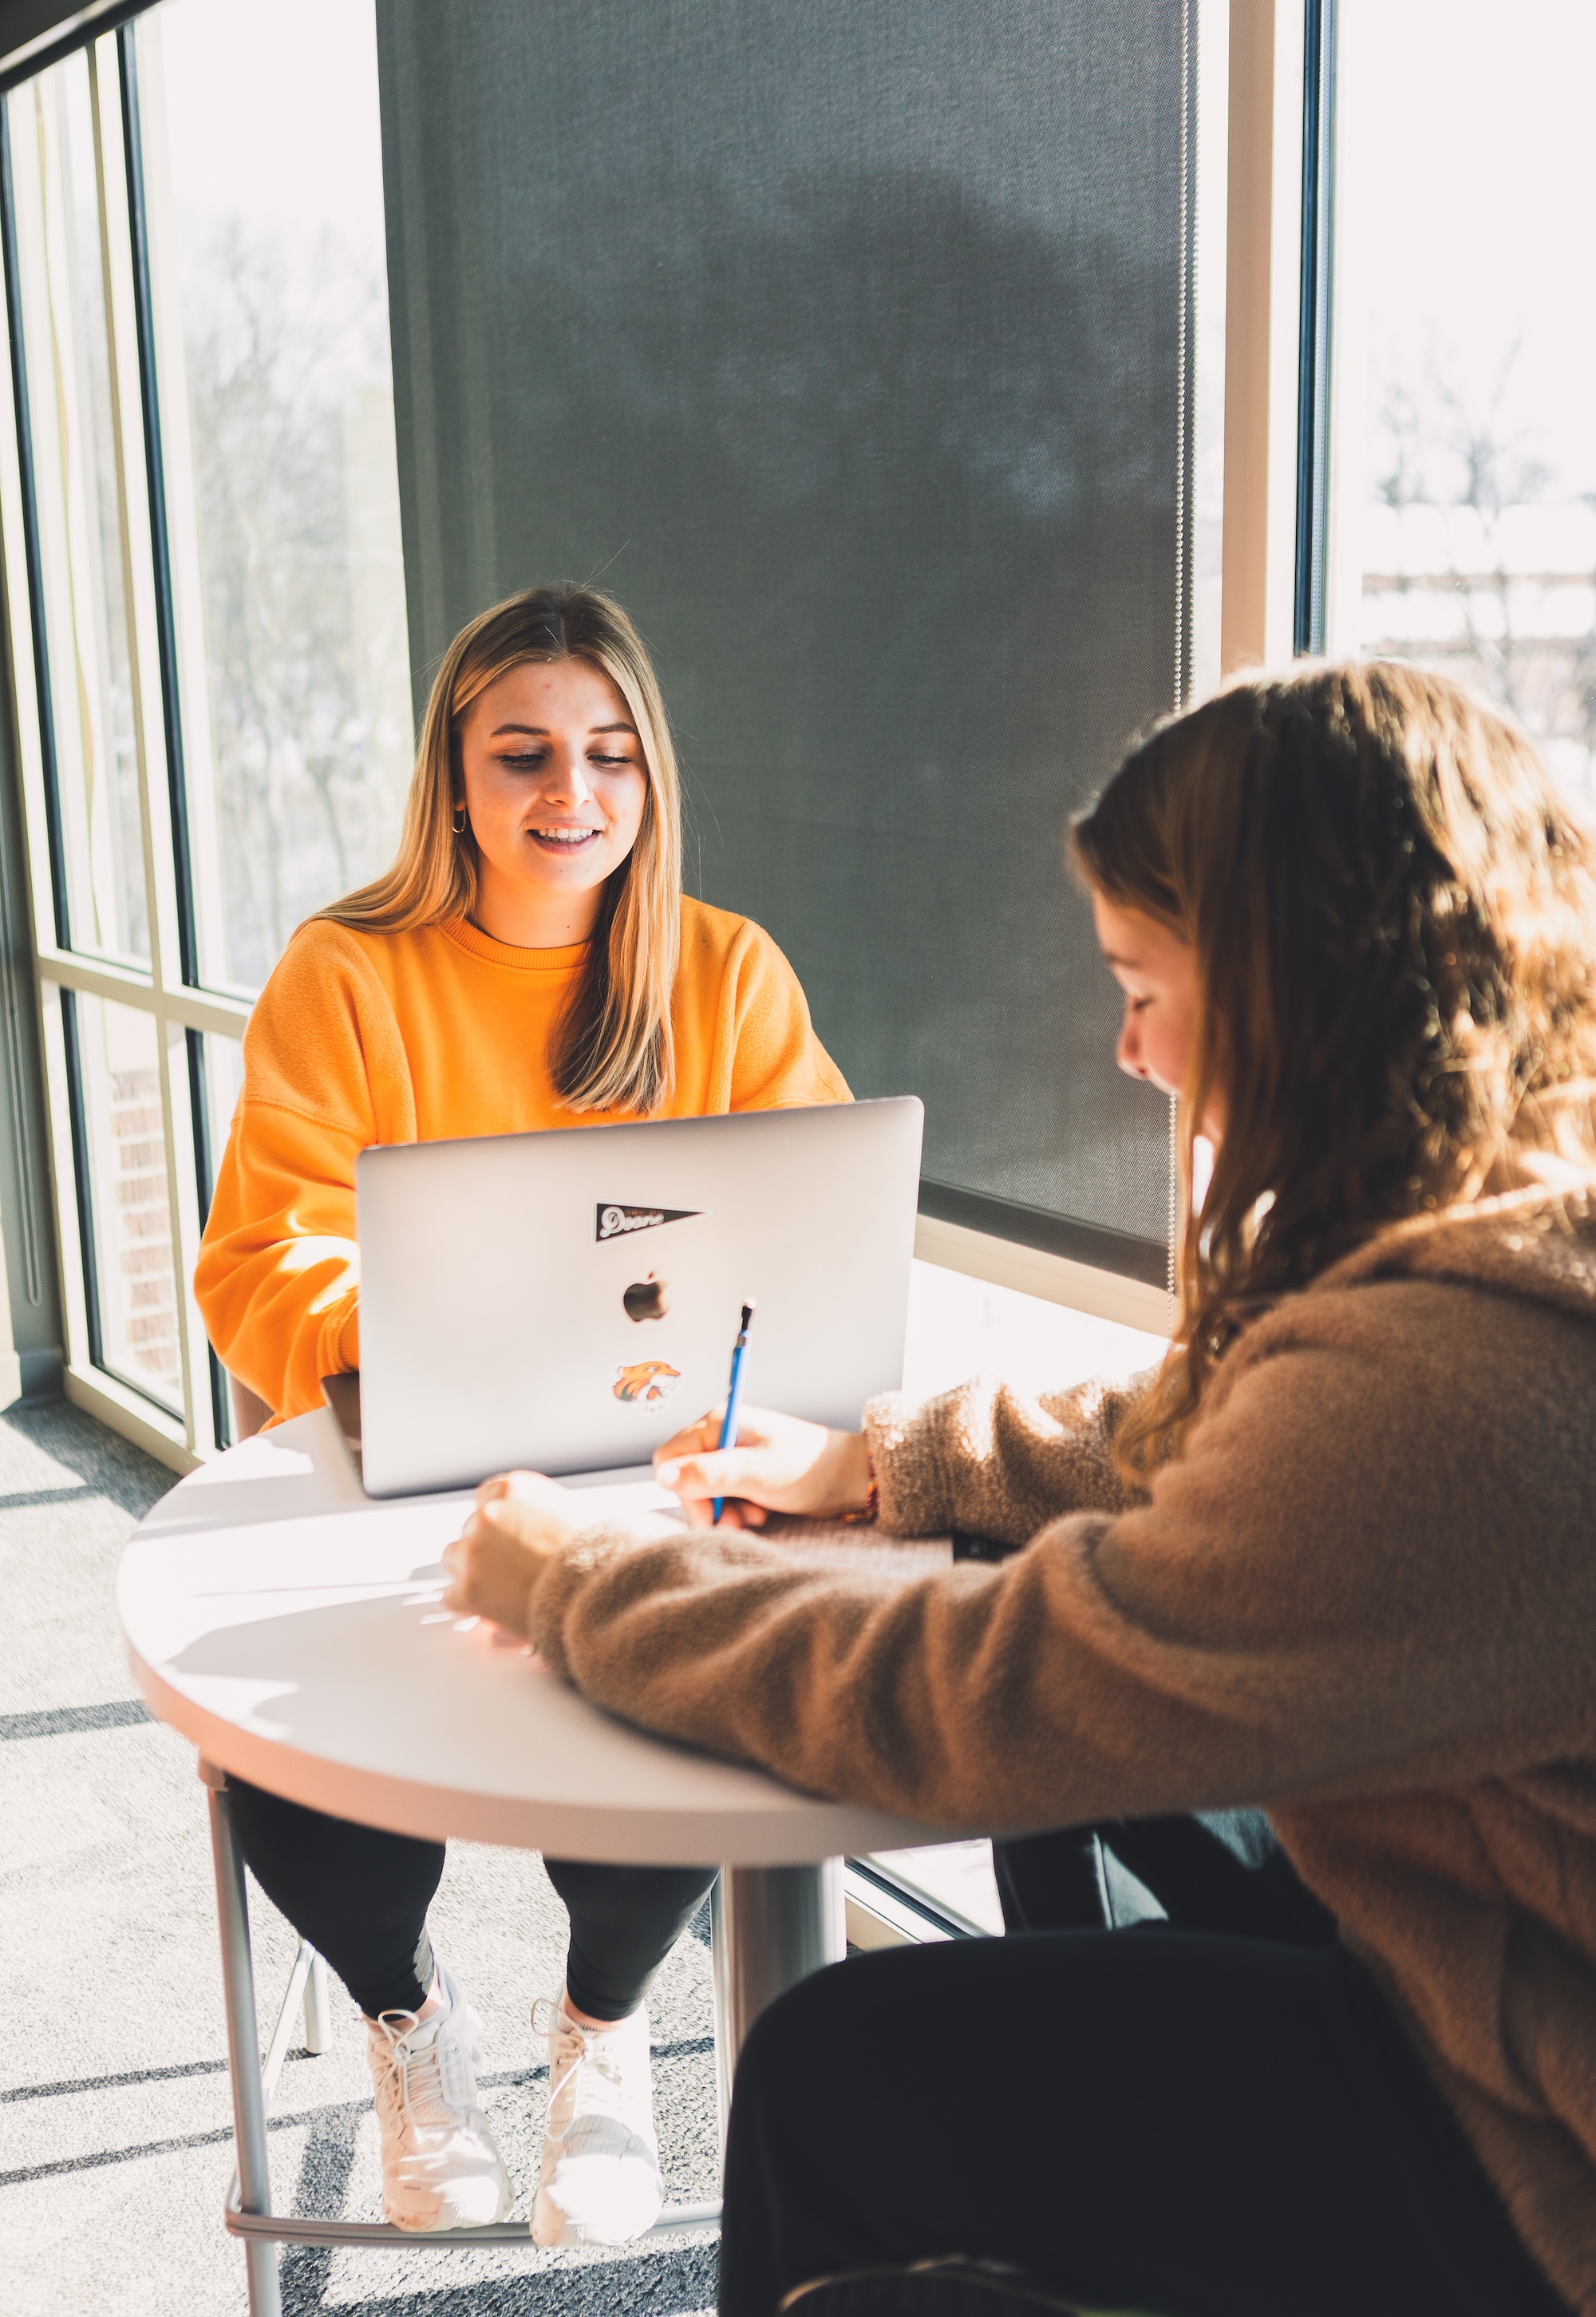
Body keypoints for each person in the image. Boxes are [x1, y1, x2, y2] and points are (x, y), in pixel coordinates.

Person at [441, 660, 1596, 2317]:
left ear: (1304, 984)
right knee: (1094, 1818)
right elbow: (1240, 1435)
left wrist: (572, 1583)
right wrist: (889, 1459)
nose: (1122, 1046)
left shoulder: (1454, 1396)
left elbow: (977, 1697)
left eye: (1142, 979)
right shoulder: (1513, 1207)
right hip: (1470, 1925)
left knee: (822, 2070)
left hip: (1526, 2144)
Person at [194, 583, 848, 2243]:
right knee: (283, 1730)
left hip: (648, 1463)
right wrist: (425, 1354)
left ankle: (603, 2035)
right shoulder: (349, 973)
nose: (573, 794)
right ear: (457, 778)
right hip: (400, 1459)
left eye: (610, 753)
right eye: (526, 753)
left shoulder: (723, 972)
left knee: (678, 1671)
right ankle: (411, 2020)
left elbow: (812, 1227)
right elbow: (256, 1260)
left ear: (653, 775)